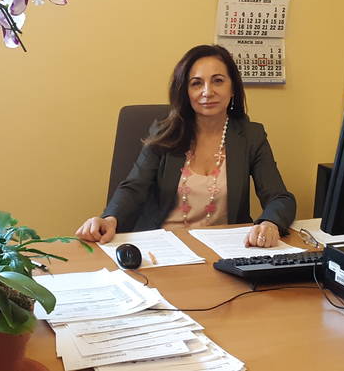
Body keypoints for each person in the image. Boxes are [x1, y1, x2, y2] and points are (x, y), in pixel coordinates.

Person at [76, 44, 296, 247]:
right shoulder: (164, 133)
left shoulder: (250, 136)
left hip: (226, 248)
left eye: (218, 81)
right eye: (196, 83)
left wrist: (270, 223)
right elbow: (134, 187)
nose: (207, 92)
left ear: (233, 88)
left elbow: (280, 197)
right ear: (186, 91)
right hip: (165, 247)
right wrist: (110, 218)